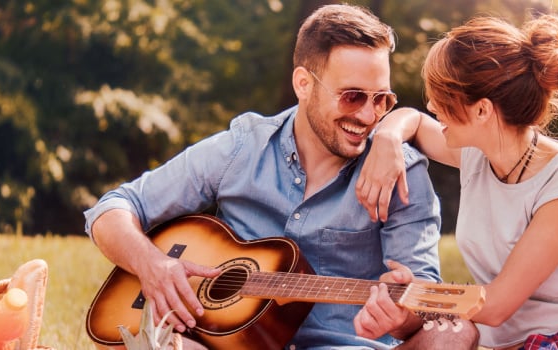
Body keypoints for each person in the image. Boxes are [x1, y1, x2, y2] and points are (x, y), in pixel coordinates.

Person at [83, 4, 479, 350]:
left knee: (456, 334)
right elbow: (113, 208)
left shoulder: (402, 172)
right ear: (303, 84)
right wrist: (152, 264)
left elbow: (424, 298)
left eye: (382, 99)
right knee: (158, 344)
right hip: (219, 344)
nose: (368, 115)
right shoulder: (243, 147)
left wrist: (402, 318)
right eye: (352, 96)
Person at [353, 13, 558, 350]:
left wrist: (416, 295)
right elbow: (410, 118)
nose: (431, 105)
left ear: (482, 111)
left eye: (442, 97)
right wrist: (387, 139)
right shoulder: (474, 153)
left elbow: (497, 305)